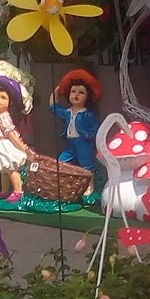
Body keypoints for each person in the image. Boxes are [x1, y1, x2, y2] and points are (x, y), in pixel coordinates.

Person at [51, 68, 103, 205]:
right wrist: (56, 92)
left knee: (87, 165)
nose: (76, 95)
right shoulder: (67, 112)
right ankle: (65, 186)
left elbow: (96, 129)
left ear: (87, 96)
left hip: (83, 143)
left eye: (81, 92)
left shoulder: (87, 114)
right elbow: (54, 108)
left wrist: (86, 135)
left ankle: (90, 186)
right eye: (73, 91)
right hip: (71, 143)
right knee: (62, 162)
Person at [0, 74, 36, 206]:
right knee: (4, 170)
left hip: (5, 146)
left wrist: (22, 147)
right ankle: (4, 190)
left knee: (10, 169)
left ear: (10, 103)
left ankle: (18, 191)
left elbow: (11, 134)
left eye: (3, 98)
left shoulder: (4, 117)